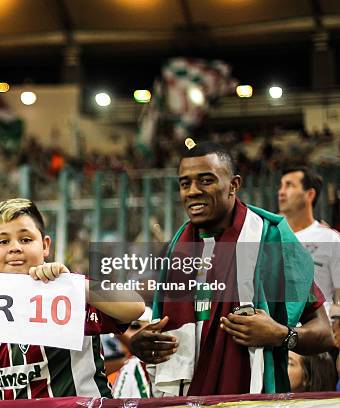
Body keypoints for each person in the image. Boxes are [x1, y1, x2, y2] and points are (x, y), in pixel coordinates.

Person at [129, 141, 333, 396]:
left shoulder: (270, 240)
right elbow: (164, 336)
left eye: (206, 180)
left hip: (254, 396)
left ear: (234, 185)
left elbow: (324, 334)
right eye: (185, 183)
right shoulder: (176, 250)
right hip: (186, 399)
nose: (192, 191)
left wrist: (281, 335)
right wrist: (140, 347)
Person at [0, 198, 144, 400]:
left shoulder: (68, 290)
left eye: (26, 239)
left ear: (45, 245)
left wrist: (74, 283)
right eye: (4, 241)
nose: (15, 248)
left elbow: (135, 307)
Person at [278, 166, 340, 309]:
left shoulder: (331, 239)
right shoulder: (269, 237)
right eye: (281, 186)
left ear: (310, 194)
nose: (281, 192)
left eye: (289, 185)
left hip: (321, 328)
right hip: (278, 329)